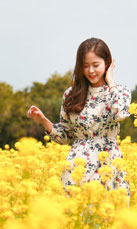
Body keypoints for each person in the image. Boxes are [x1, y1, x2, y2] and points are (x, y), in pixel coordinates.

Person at [27, 37, 131, 196]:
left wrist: (110, 80)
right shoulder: (71, 94)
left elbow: (120, 113)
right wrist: (42, 120)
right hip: (77, 168)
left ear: (107, 64)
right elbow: (65, 135)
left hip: (109, 165)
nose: (91, 71)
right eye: (85, 66)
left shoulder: (119, 91)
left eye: (96, 65)